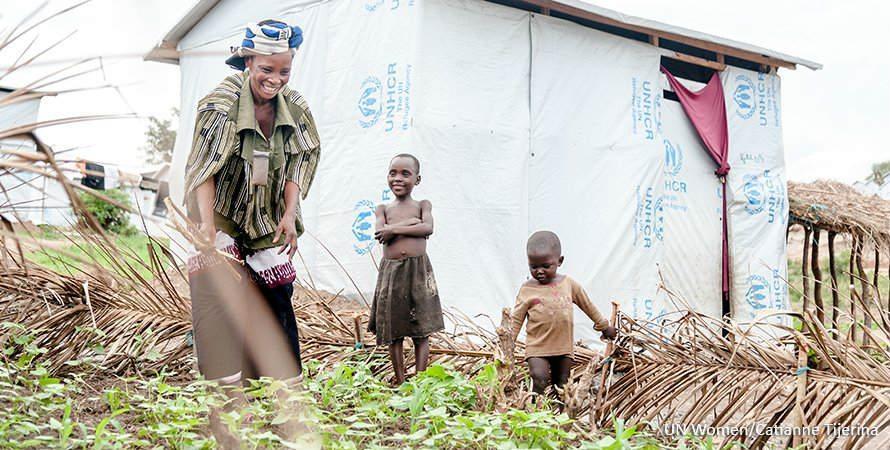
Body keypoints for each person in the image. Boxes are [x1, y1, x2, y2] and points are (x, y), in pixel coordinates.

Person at [183, 19, 321, 386]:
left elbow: (298, 161)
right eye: (266, 69)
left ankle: (279, 382)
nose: (275, 79)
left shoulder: (295, 107)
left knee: (275, 292)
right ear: (247, 63)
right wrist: (208, 226)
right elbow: (203, 168)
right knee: (217, 288)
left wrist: (290, 215)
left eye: (284, 71)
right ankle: (224, 382)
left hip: (268, 210)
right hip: (220, 205)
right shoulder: (219, 105)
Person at [367, 154, 445, 385]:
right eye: (393, 173)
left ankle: (420, 380)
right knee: (394, 331)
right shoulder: (382, 209)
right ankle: (401, 380)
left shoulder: (423, 205)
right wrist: (411, 225)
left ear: (417, 180)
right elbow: (382, 234)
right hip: (392, 273)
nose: (398, 178)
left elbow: (428, 228)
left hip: (418, 271)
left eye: (405, 173)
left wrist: (396, 229)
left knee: (421, 329)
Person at [511, 231, 617, 399]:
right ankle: (534, 413)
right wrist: (507, 344)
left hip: (563, 348)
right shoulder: (527, 290)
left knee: (563, 385)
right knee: (539, 378)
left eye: (546, 266)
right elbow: (516, 319)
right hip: (537, 347)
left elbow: (587, 305)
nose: (539, 271)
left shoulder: (568, 285)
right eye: (534, 266)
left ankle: (560, 418)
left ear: (559, 261)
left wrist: (604, 327)